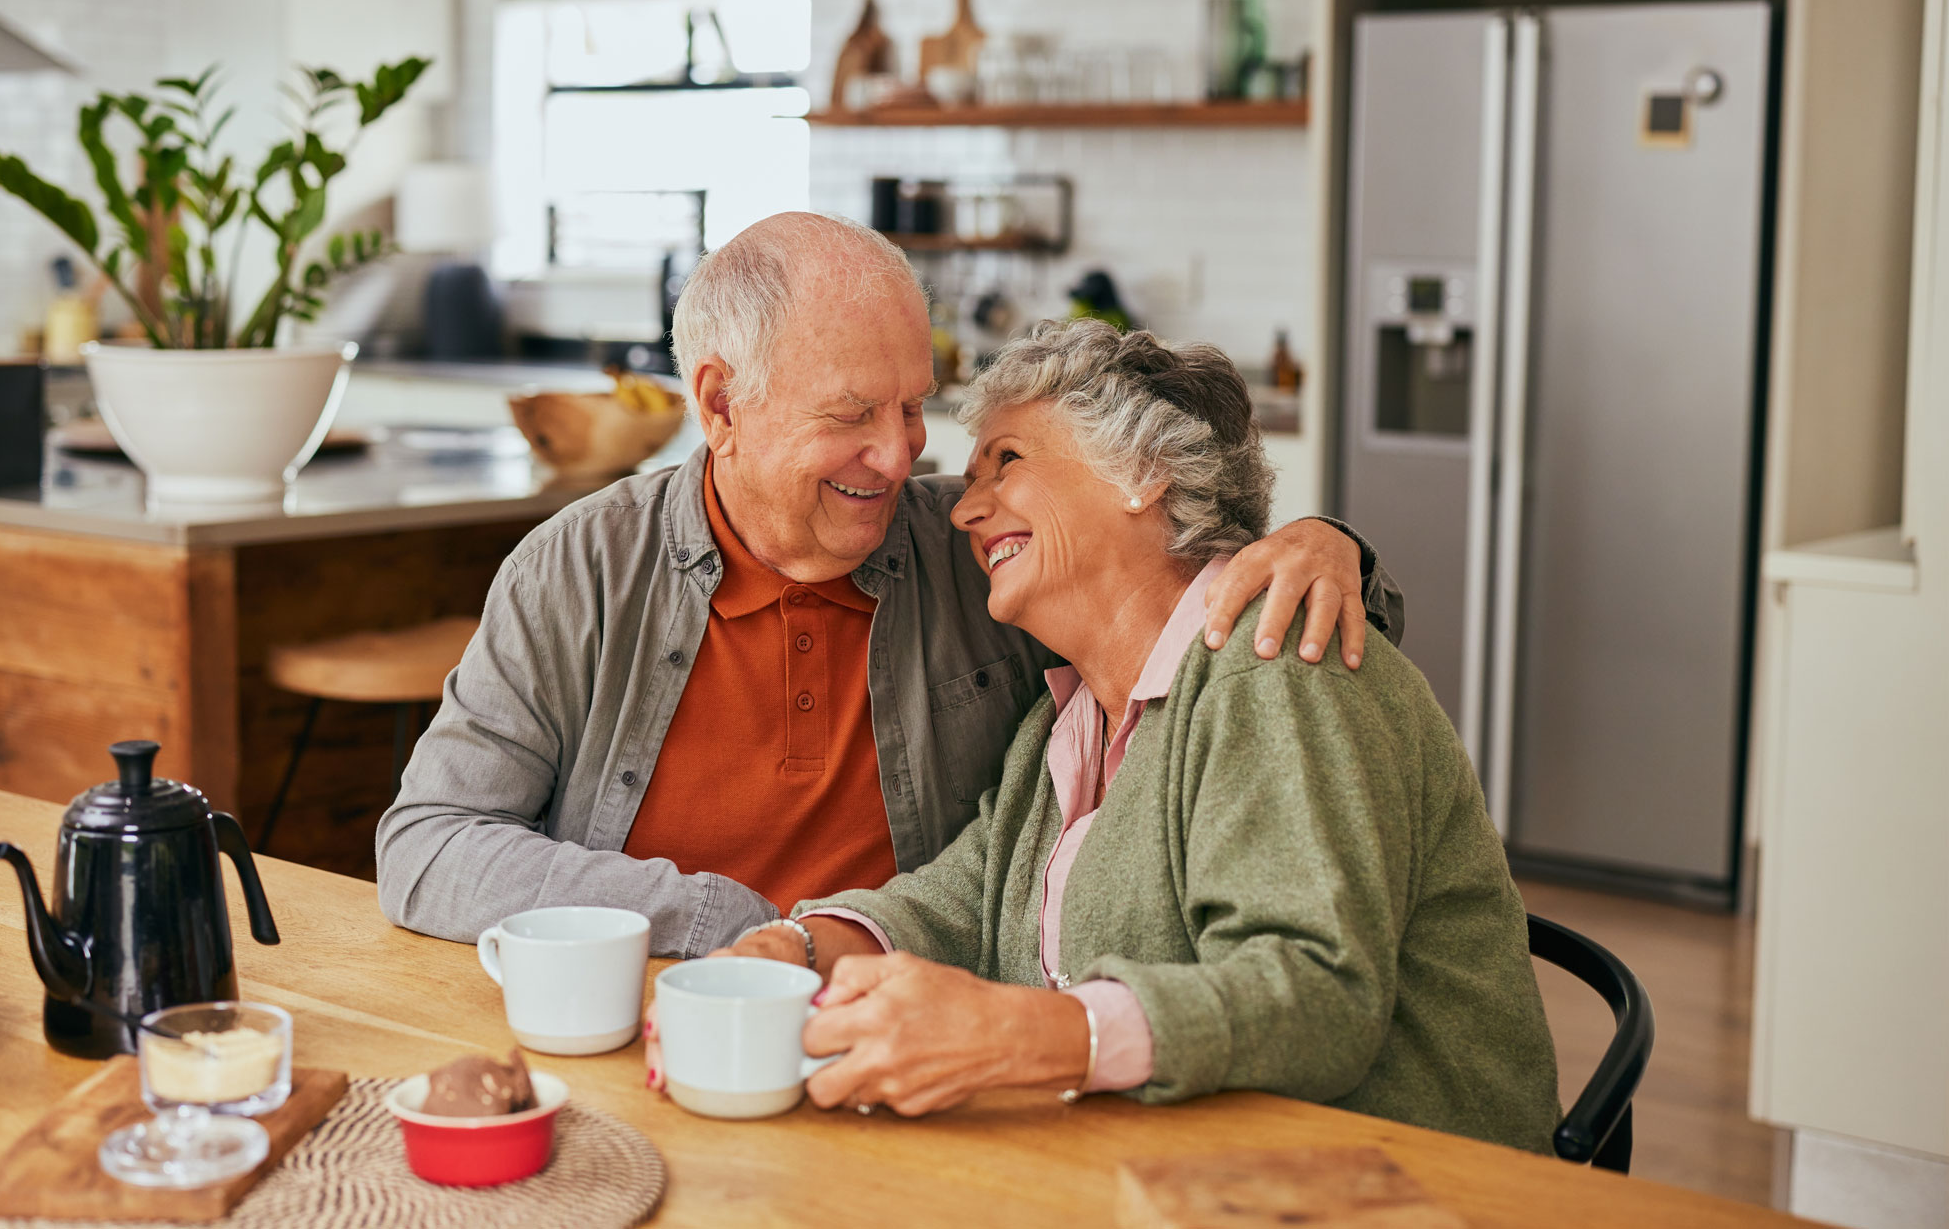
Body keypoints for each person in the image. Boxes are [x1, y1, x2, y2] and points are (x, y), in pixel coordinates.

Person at [376, 214, 1404, 958]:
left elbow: (1222, 605)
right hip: (664, 1005)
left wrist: (1327, 543)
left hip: (910, 1028)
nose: (899, 454)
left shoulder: (983, 550)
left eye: (912, 406)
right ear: (721, 404)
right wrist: (724, 922)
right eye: (851, 413)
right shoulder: (580, 568)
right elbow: (427, 847)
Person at [665, 319, 1561, 1154]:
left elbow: (1315, 997)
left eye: (1006, 462)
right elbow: (967, 899)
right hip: (1170, 1168)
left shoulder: (1274, 668)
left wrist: (1020, 1036)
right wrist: (803, 947)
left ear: (1144, 473)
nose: (967, 511)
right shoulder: (1068, 717)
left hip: (1393, 1184)